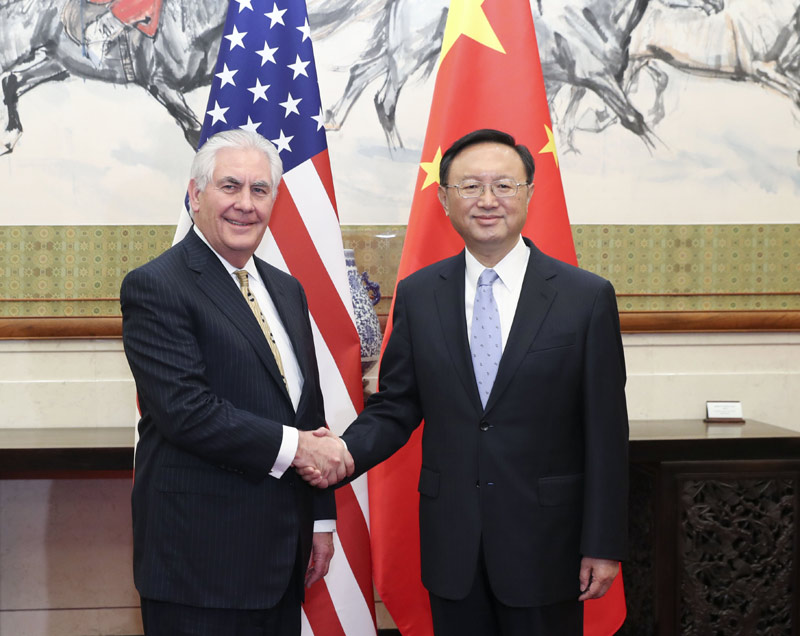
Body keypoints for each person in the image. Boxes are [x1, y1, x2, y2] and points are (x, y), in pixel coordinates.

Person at [301, 129, 629, 635]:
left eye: (504, 185)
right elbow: (396, 406)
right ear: (444, 199)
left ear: (529, 193)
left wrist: (603, 544)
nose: (487, 200)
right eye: (470, 186)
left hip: (548, 543)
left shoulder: (584, 298)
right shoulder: (419, 294)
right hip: (453, 544)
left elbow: (606, 433)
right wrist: (342, 451)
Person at [121, 129, 353, 635]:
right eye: (230, 186)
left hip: (282, 557)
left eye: (259, 190)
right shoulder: (157, 285)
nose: (245, 204)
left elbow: (305, 412)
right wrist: (301, 449)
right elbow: (187, 412)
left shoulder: (286, 289)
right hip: (199, 566)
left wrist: (319, 520)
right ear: (195, 194)